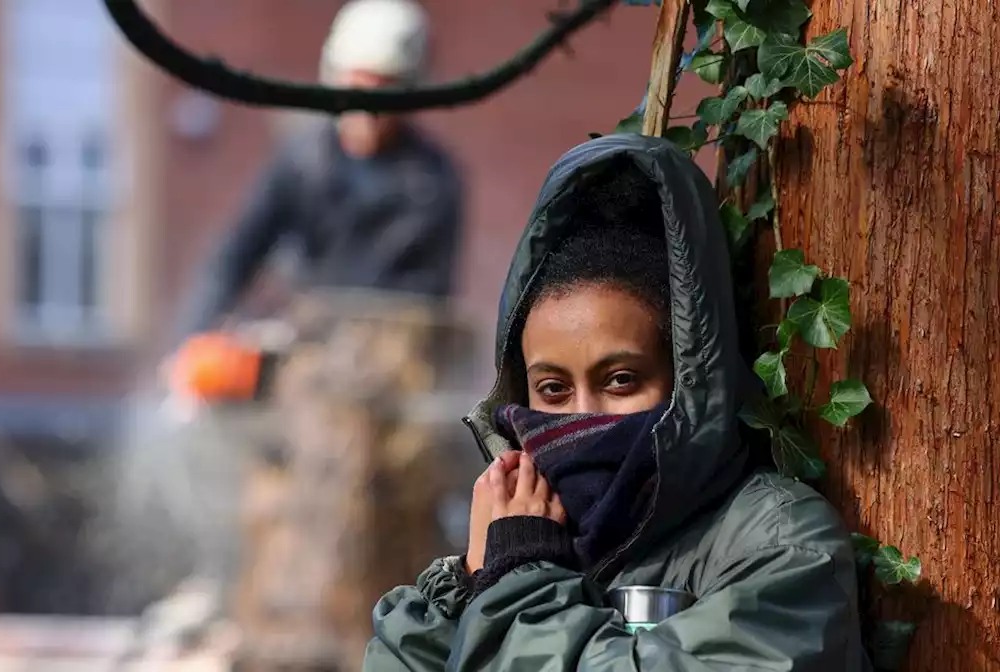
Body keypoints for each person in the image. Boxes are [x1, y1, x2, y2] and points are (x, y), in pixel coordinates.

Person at [362, 135, 868, 670]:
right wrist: (466, 585)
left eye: (621, 379)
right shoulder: (518, 529)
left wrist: (521, 581)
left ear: (688, 377)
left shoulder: (780, 544)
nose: (585, 413)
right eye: (552, 389)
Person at [173, 0, 463, 341]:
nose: (367, 108)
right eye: (358, 87)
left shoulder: (431, 182)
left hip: (390, 358)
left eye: (383, 91)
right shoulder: (302, 161)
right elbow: (235, 254)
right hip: (303, 345)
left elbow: (423, 295)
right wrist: (196, 336)